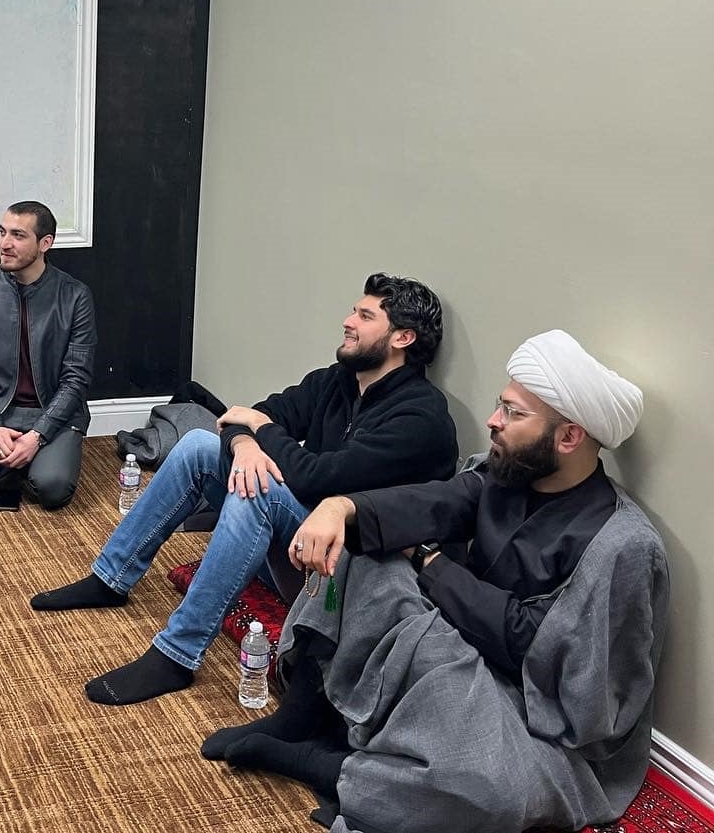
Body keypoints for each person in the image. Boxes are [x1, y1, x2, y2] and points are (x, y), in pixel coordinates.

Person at [204, 330, 666, 833]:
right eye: (500, 405)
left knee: (493, 788)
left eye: (513, 413)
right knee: (364, 545)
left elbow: (532, 646)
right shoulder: (507, 474)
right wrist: (343, 507)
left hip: (525, 704)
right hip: (455, 648)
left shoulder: (620, 545)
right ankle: (298, 717)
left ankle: (326, 766)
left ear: (569, 437)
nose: (493, 421)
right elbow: (435, 502)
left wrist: (428, 561)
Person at [31, 273, 458, 706]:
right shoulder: (339, 381)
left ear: (402, 337)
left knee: (259, 491)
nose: (348, 322)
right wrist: (246, 443)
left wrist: (262, 430)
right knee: (199, 446)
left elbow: (316, 477)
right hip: (298, 547)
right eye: (353, 311)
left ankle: (177, 655)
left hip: (343, 578)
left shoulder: (419, 418)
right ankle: (110, 578)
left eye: (365, 316)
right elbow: (246, 416)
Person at [0, 201, 96, 510]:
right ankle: (15, 460)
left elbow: (76, 379)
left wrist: (38, 435)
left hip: (53, 412)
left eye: (18, 235)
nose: (4, 244)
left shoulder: (75, 296)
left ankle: (24, 461)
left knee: (53, 489)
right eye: (2, 233)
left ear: (45, 243)